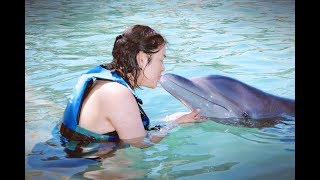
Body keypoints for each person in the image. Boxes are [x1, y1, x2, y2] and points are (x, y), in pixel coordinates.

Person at [58, 24, 206, 159]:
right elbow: (141, 143)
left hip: (71, 154)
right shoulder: (117, 93)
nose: (163, 68)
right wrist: (173, 124)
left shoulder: (108, 81)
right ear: (142, 59)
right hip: (85, 166)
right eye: (161, 60)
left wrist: (175, 118)